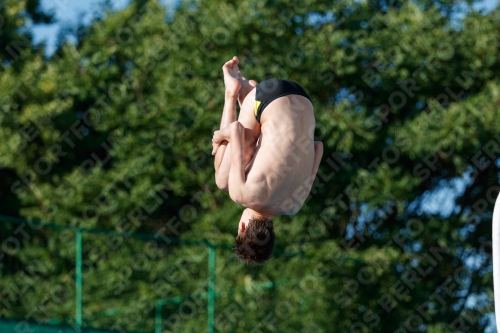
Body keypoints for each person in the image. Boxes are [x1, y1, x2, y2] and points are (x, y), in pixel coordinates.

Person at [212, 56, 323, 264]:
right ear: (242, 227)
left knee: (257, 146)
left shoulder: (295, 205)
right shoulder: (242, 195)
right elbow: (235, 130)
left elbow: (318, 147)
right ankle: (233, 93)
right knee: (222, 181)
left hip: (303, 99)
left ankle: (247, 93)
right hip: (269, 96)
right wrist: (219, 137)